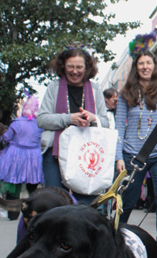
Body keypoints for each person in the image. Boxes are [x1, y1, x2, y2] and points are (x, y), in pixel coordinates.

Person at [115, 49, 157, 258]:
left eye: (149, 63)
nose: (145, 67)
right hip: (133, 156)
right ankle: (117, 246)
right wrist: (118, 157)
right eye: (141, 63)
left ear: (155, 67)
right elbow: (119, 127)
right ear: (136, 68)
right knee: (127, 202)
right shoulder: (126, 95)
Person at [37, 47, 109, 206]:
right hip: (55, 152)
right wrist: (69, 119)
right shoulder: (53, 87)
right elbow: (41, 119)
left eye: (79, 67)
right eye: (70, 66)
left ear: (87, 68)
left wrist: (93, 118)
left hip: (87, 154)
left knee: (87, 204)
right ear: (63, 66)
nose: (75, 71)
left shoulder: (95, 89)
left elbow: (105, 122)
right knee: (55, 202)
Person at [0, 95, 44, 219]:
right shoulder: (40, 124)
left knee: (14, 184)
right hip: (34, 156)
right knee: (33, 186)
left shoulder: (17, 122)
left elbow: (7, 137)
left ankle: (13, 214)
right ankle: (35, 211)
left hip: (16, 155)